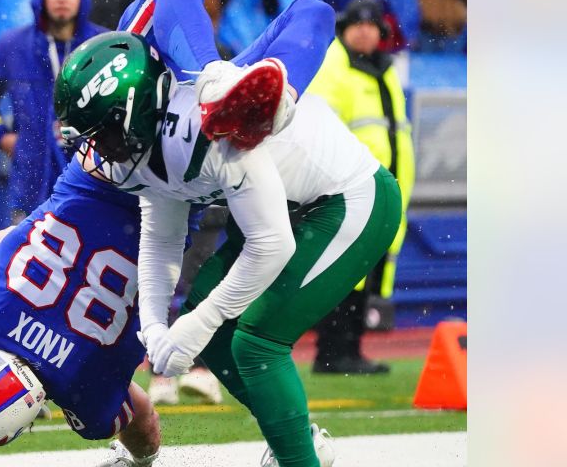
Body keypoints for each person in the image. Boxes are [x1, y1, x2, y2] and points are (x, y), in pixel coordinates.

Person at [53, 24, 401, 467]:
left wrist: (203, 319)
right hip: (285, 209)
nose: (96, 150)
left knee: (255, 343)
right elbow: (160, 240)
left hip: (347, 199)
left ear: (136, 110)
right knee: (216, 337)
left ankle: (300, 458)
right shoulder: (148, 141)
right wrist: (156, 324)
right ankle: (298, 442)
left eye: (101, 134)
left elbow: (271, 244)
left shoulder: (207, 127)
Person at [0, 158, 162, 466]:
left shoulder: (90, 400)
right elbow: (0, 242)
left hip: (165, 217)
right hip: (99, 170)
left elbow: (144, 419)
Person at [306, 0, 414, 375]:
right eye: (357, 24)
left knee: (362, 276)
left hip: (382, 192)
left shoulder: (382, 70)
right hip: (352, 190)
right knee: (344, 277)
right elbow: (323, 128)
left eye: (372, 25)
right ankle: (333, 353)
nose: (365, 31)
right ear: (345, 29)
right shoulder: (337, 67)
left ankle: (350, 350)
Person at [0, 0, 105, 222]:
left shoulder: (102, 46)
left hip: (93, 184)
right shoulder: (14, 45)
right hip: (31, 186)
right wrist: (0, 137)